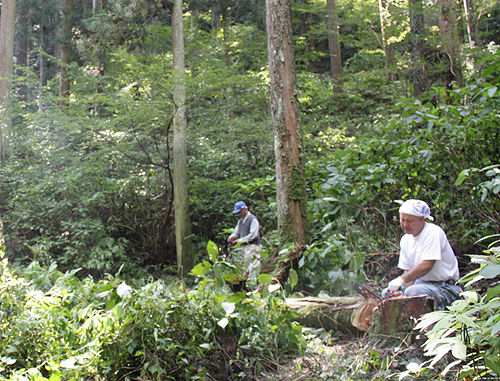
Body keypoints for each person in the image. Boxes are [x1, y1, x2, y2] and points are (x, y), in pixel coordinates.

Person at [384, 199, 462, 310]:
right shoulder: (406, 239)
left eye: (410, 221)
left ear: (422, 219)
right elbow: (408, 274)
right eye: (402, 220)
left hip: (445, 288)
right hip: (421, 284)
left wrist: (401, 280)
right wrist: (404, 294)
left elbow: (427, 265)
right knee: (388, 293)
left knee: (414, 291)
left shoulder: (433, 232)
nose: (405, 224)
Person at [227, 201, 261, 278]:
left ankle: (253, 283)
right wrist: (231, 237)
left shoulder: (253, 219)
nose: (239, 214)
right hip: (245, 247)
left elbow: (253, 235)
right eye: (238, 213)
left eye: (240, 212)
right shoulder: (240, 221)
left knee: (253, 267)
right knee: (245, 267)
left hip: (253, 246)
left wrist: (240, 241)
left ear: (245, 209)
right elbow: (236, 233)